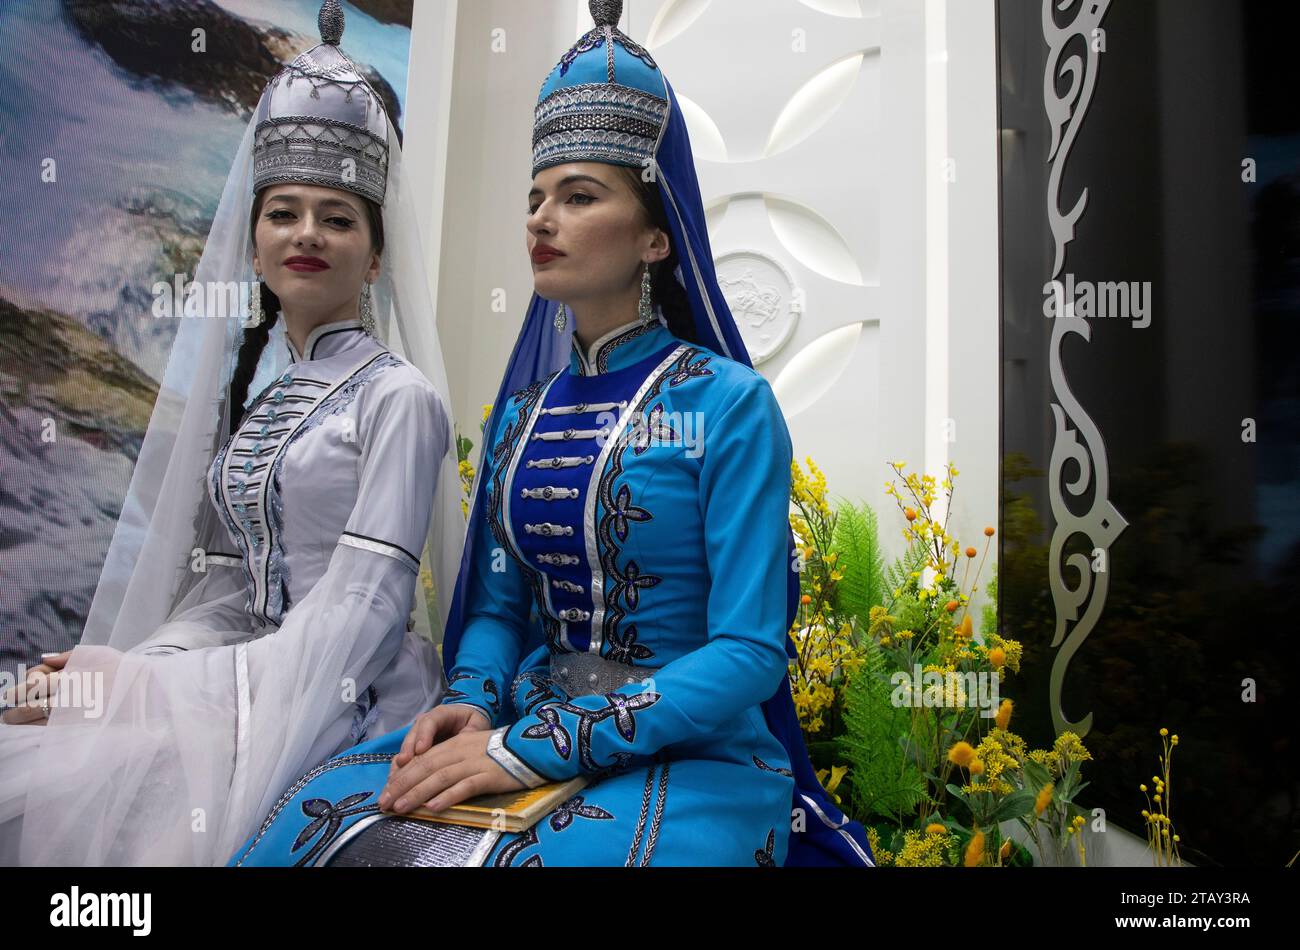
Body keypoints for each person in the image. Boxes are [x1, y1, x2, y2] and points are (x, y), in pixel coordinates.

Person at [230, 0, 873, 868]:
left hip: (694, 757)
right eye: (535, 199)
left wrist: (540, 747)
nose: (540, 220)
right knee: (320, 829)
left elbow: (749, 652)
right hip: (518, 729)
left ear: (656, 236)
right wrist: (470, 699)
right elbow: (499, 608)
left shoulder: (731, 404)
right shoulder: (521, 418)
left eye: (578, 197)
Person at [0, 0, 463, 866]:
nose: (307, 234)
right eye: (283, 212)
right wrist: (118, 672)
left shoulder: (399, 399)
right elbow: (227, 598)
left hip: (347, 697)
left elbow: (359, 618)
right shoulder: (266, 402)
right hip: (241, 682)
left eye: (338, 217)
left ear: (376, 255)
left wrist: (142, 689)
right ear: (253, 246)